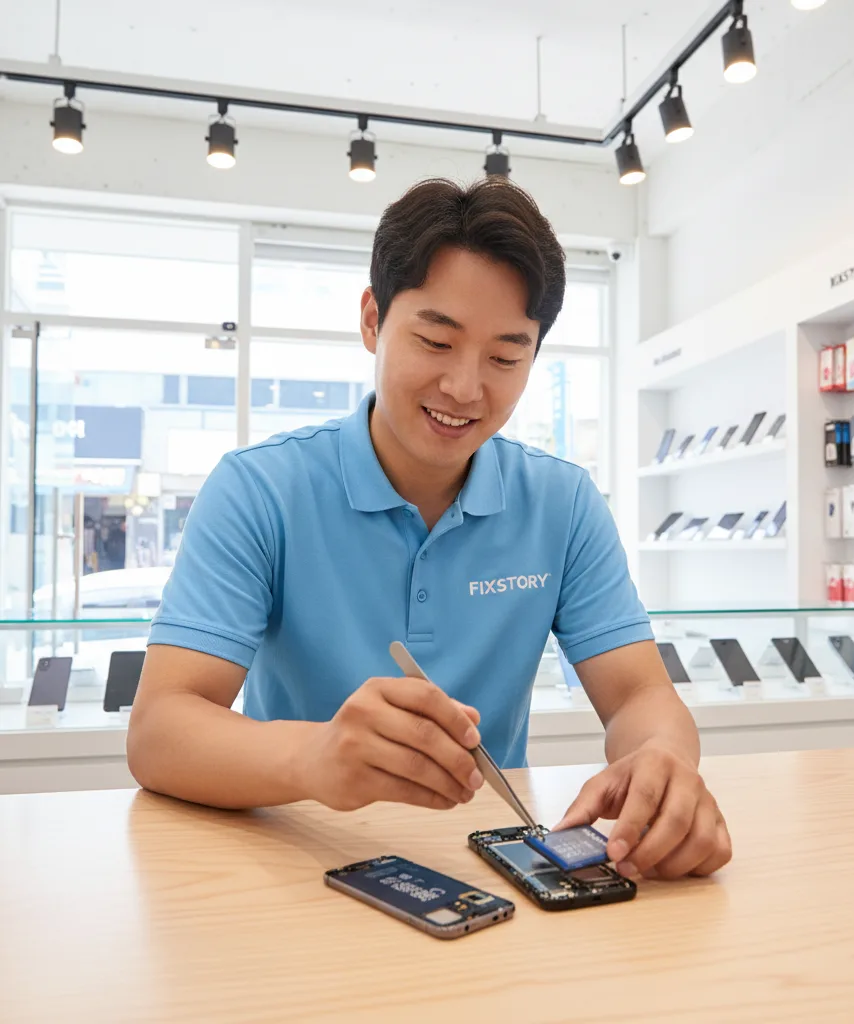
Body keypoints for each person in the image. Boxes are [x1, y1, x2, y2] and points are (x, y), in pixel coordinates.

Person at [127, 178, 732, 881]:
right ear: (371, 321)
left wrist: (661, 760)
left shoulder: (561, 502)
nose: (466, 388)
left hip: (493, 864)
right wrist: (317, 758)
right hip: (294, 859)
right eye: (436, 340)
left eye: (506, 358)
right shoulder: (260, 489)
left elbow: (639, 696)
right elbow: (160, 730)